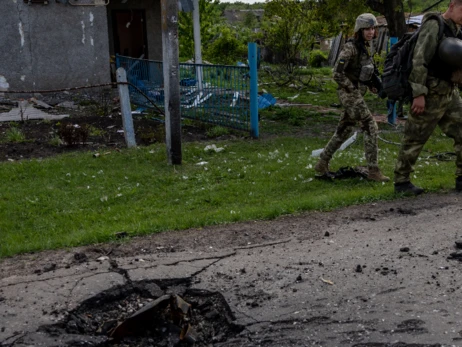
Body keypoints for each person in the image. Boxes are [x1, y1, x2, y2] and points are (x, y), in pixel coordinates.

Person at [394, 0, 462, 195]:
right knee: (415, 137)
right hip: (430, 92)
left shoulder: (455, 29)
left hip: (449, 92)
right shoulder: (435, 25)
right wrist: (418, 94)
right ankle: (401, 181)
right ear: (452, 5)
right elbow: (419, 59)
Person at [314, 13, 389, 182]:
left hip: (356, 93)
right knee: (371, 126)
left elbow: (364, 70)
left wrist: (370, 84)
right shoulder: (351, 47)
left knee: (344, 129)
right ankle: (373, 170)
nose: (370, 32)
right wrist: (352, 89)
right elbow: (337, 74)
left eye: (372, 29)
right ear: (359, 30)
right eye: (367, 29)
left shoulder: (366, 47)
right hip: (349, 95)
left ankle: (322, 162)